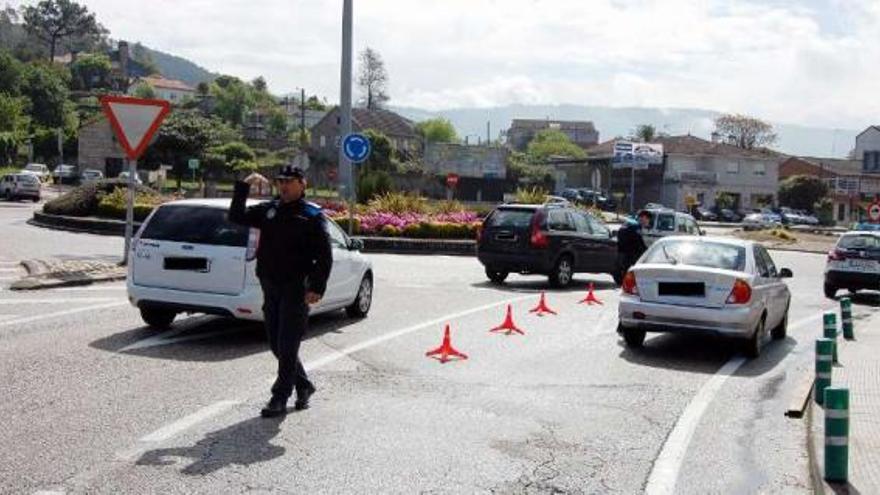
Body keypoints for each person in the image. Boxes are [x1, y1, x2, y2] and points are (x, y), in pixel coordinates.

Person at [229, 165, 332, 418]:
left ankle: (279, 396)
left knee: (287, 343)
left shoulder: (312, 215)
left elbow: (325, 256)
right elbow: (236, 216)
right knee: (276, 344)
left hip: (296, 287)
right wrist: (243, 187)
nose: (284, 186)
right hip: (270, 284)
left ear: (302, 184)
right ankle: (304, 384)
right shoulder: (269, 210)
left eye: (290, 181)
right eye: (280, 181)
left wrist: (317, 287)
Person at [616, 210, 652, 276]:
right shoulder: (636, 226)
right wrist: (648, 251)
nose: (648, 222)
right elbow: (639, 242)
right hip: (631, 255)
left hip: (622, 253)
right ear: (644, 217)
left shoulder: (628, 222)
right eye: (648, 219)